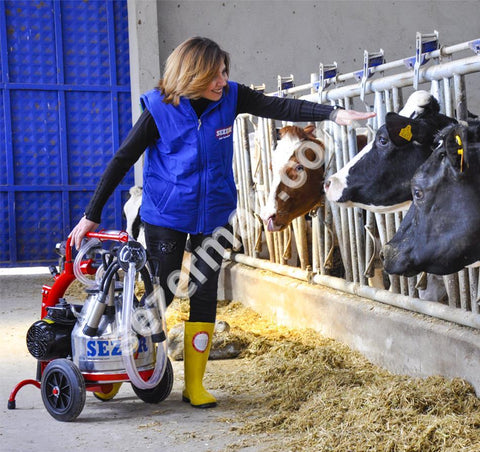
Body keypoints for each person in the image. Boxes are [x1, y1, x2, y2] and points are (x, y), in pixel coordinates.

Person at [69, 36, 376, 409]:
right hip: (166, 214)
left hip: (214, 212)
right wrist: (91, 215)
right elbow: (122, 159)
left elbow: (279, 105)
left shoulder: (231, 96)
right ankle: (122, 360)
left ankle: (194, 384)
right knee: (161, 292)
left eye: (225, 72)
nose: (223, 81)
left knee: (203, 295)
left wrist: (331, 113)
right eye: (214, 75)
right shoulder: (159, 109)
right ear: (192, 75)